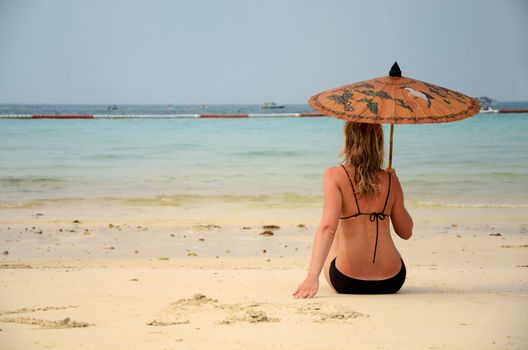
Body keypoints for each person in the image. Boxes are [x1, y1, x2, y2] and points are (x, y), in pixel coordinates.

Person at [293, 122, 413, 298]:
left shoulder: (334, 175)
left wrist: (312, 277)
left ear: (348, 141)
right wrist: (395, 185)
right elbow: (406, 232)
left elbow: (327, 229)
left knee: (338, 225)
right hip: (392, 279)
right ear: (378, 143)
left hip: (347, 279)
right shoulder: (390, 180)